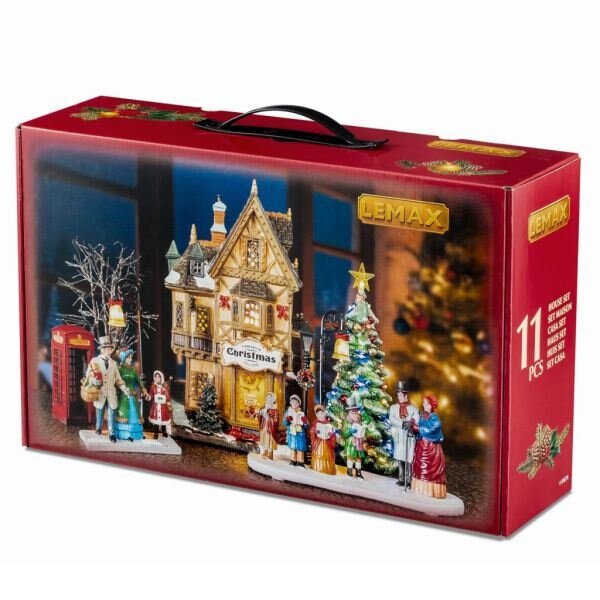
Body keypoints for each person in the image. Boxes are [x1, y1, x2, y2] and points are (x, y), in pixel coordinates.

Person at [82, 336, 129, 443]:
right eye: (106, 349)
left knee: (112, 412)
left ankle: (112, 434)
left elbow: (118, 379)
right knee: (100, 410)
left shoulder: (113, 363)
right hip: (99, 392)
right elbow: (88, 376)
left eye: (109, 349)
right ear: (102, 350)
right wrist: (93, 381)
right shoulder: (94, 361)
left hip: (111, 392)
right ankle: (98, 428)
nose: (108, 351)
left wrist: (124, 388)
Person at [410, 395, 447, 499]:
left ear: (431, 405)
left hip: (430, 447)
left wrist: (417, 428)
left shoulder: (434, 417)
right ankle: (420, 489)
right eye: (424, 403)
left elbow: (433, 428)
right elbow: (418, 427)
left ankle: (430, 490)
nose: (424, 405)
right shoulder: (422, 415)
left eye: (426, 403)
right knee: (420, 466)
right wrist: (412, 425)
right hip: (421, 445)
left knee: (430, 467)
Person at [389, 380, 420, 487]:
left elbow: (416, 420)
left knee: (408, 458)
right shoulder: (393, 408)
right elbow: (392, 419)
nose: (399, 397)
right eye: (398, 395)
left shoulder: (413, 408)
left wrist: (411, 423)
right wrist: (402, 423)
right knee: (399, 457)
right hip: (399, 435)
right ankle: (401, 477)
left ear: (405, 395)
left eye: (401, 395)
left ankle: (409, 479)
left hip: (408, 436)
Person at [115, 349, 148, 441]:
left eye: (131, 357)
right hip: (123, 396)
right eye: (128, 357)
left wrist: (144, 390)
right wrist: (122, 389)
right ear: (124, 358)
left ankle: (136, 434)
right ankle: (124, 434)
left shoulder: (133, 370)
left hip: (132, 396)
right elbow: (117, 381)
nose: (130, 359)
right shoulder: (120, 370)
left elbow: (139, 382)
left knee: (135, 414)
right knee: (124, 414)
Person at [309, 404, 336, 475]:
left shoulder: (328, 423)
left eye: (321, 413)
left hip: (327, 443)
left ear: (324, 414)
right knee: (318, 454)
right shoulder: (315, 422)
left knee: (327, 455)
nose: (320, 415)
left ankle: (327, 469)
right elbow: (311, 430)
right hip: (318, 442)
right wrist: (314, 431)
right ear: (316, 415)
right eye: (318, 414)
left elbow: (333, 432)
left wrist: (331, 434)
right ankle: (317, 467)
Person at [342, 403, 366, 479]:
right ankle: (349, 470)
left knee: (358, 458)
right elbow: (344, 434)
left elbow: (368, 420)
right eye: (353, 413)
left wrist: (363, 412)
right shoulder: (347, 423)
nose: (355, 415)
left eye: (356, 413)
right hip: (351, 444)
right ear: (349, 413)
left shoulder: (360, 421)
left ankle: (358, 472)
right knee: (350, 457)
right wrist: (350, 431)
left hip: (359, 443)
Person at [284, 395, 308, 467]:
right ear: (290, 403)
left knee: (300, 447)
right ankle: (293, 460)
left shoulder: (301, 413)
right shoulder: (288, 412)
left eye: (296, 403)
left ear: (299, 404)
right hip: (292, 432)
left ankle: (300, 461)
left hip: (300, 433)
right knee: (292, 446)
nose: (294, 404)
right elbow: (284, 423)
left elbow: (306, 425)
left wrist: (305, 422)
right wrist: (287, 420)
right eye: (293, 402)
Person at [148, 370, 172, 439]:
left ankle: (164, 431)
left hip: (163, 406)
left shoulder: (165, 387)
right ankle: (156, 432)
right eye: (155, 377)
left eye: (158, 377)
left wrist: (165, 391)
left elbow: (168, 397)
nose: (157, 378)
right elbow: (151, 395)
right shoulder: (153, 386)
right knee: (156, 419)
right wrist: (148, 397)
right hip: (155, 406)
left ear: (161, 378)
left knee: (163, 418)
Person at [258, 392, 279, 459]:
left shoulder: (275, 410)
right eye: (267, 398)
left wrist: (268, 418)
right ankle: (265, 450)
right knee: (264, 439)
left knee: (270, 440)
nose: (267, 399)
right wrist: (260, 414)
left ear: (272, 400)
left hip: (270, 429)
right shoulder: (264, 407)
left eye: (269, 398)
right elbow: (260, 417)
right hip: (264, 427)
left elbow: (276, 421)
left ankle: (270, 453)